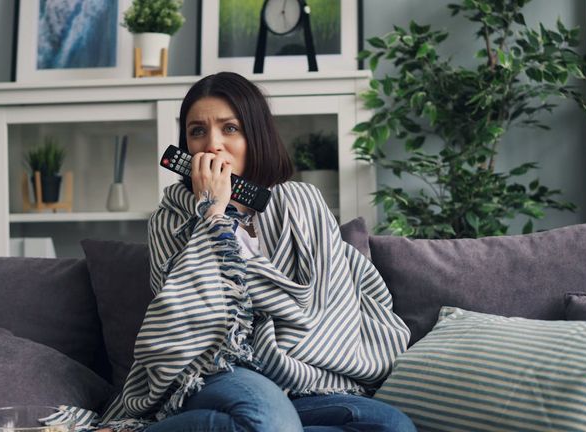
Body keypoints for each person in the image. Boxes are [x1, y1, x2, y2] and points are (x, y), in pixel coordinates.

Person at [96, 72, 415, 432]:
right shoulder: (169, 220)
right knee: (269, 417)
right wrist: (212, 212)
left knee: (390, 424)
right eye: (197, 131)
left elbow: (324, 304)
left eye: (229, 129)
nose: (212, 144)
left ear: (255, 135)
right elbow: (182, 317)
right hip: (214, 369)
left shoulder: (302, 202)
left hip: (301, 376)